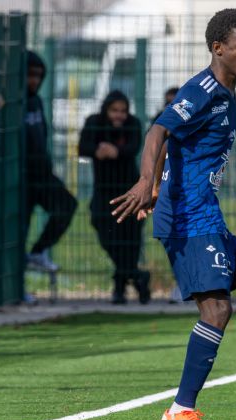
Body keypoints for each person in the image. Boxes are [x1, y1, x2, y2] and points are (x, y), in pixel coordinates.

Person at [110, 9, 236, 420]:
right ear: (218, 48)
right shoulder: (202, 90)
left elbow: (177, 139)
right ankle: (179, 410)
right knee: (217, 310)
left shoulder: (227, 93)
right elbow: (159, 131)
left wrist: (158, 185)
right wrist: (147, 180)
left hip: (205, 212)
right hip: (187, 218)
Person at [79, 90, 150, 304]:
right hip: (104, 190)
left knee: (130, 239)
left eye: (123, 111)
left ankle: (120, 288)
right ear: (106, 110)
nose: (119, 115)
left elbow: (133, 147)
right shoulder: (94, 122)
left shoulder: (133, 124)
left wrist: (115, 151)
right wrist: (98, 149)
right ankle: (137, 276)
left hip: (130, 191)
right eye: (114, 110)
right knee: (103, 228)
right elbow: (83, 147)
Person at [23, 50, 78, 275]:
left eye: (38, 76)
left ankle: (38, 252)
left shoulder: (35, 101)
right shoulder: (12, 101)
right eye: (30, 75)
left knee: (67, 205)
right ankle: (17, 284)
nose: (34, 81)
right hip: (21, 177)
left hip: (42, 174)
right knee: (18, 230)